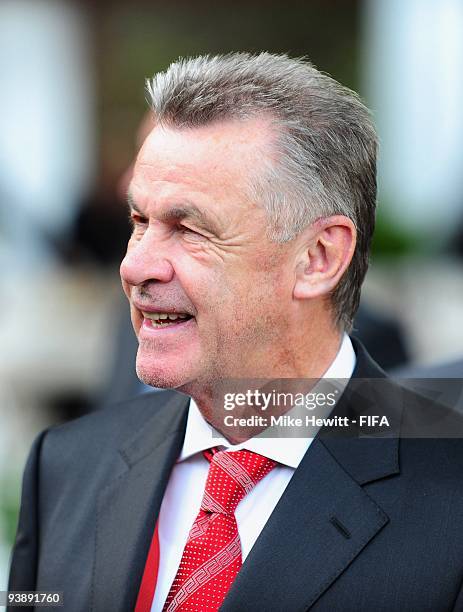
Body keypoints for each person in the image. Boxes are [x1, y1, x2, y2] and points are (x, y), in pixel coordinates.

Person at [8, 53, 463, 612]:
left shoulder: (448, 492)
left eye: (189, 228)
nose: (135, 266)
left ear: (319, 258)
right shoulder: (66, 464)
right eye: (139, 222)